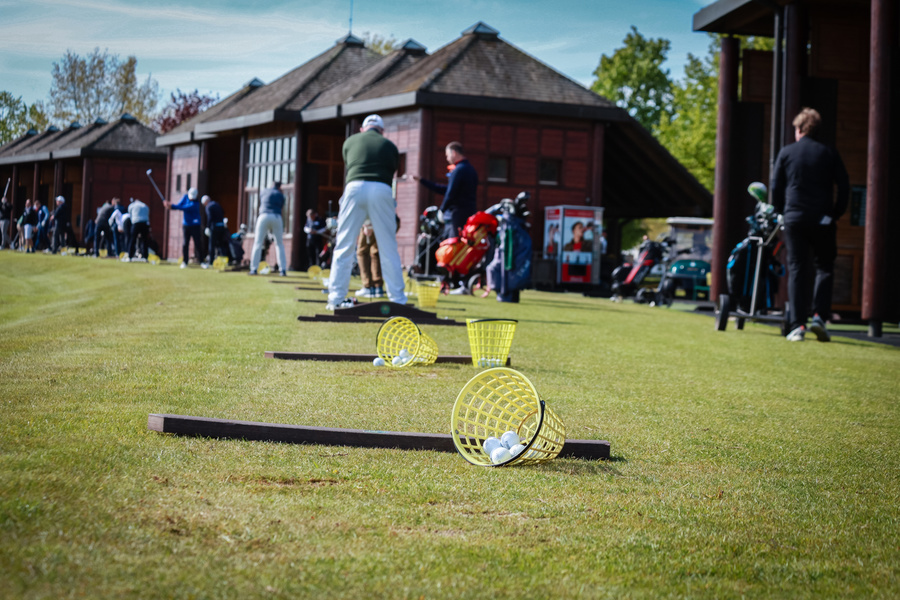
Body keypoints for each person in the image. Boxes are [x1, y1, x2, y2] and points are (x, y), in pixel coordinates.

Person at [771, 107, 850, 343]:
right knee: (824, 266)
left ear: (799, 129)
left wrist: (780, 211)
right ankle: (819, 317)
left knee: (797, 268)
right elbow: (844, 185)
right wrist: (835, 213)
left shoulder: (787, 152)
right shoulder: (829, 153)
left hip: (795, 218)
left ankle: (797, 325)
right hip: (822, 219)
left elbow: (776, 186)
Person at [327, 114, 406, 309]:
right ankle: (398, 299)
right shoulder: (390, 146)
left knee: (344, 245)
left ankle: (335, 299)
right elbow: (392, 170)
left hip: (354, 188)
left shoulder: (350, 141)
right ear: (381, 131)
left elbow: (349, 163)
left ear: (363, 129)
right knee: (388, 247)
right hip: (382, 188)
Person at [414, 141, 478, 292]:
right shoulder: (470, 169)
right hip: (466, 213)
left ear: (454, 153)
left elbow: (450, 193)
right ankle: (456, 281)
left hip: (456, 215)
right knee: (460, 247)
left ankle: (453, 282)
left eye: (448, 155)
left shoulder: (459, 170)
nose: (447, 158)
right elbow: (447, 190)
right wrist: (423, 181)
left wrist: (441, 210)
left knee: (452, 248)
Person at [248, 182, 288, 276]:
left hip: (263, 216)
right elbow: (281, 207)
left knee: (258, 243)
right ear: (279, 187)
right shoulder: (280, 194)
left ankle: (253, 269)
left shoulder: (264, 191)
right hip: (276, 216)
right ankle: (282, 270)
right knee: (279, 244)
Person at [164, 187, 203, 269]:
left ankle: (202, 261)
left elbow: (184, 208)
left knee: (197, 243)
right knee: (185, 244)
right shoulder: (185, 197)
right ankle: (185, 262)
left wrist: (171, 206)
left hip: (195, 225)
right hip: (186, 225)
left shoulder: (195, 203)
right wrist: (170, 206)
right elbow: (179, 205)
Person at [355, 220, 384, 299]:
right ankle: (378, 287)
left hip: (371, 222)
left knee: (362, 252)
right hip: (383, 223)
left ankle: (368, 286)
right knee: (375, 252)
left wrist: (367, 225)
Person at [202, 195, 229, 266]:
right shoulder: (217, 204)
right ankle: (224, 261)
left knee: (212, 244)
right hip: (221, 226)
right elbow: (223, 212)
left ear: (206, 202)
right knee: (221, 244)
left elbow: (210, 217)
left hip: (214, 227)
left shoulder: (209, 206)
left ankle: (211, 261)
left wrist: (207, 227)